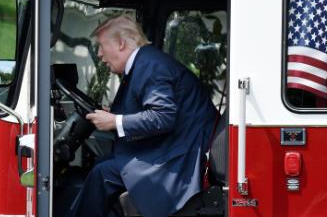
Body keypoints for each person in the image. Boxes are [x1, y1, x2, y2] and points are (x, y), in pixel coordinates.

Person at [69, 15, 217, 217]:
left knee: (101, 172)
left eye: (102, 46)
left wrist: (115, 121)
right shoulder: (146, 61)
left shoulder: (150, 66)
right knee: (103, 165)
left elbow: (163, 116)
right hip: (176, 143)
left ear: (121, 43)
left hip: (178, 155)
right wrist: (113, 115)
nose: (100, 55)